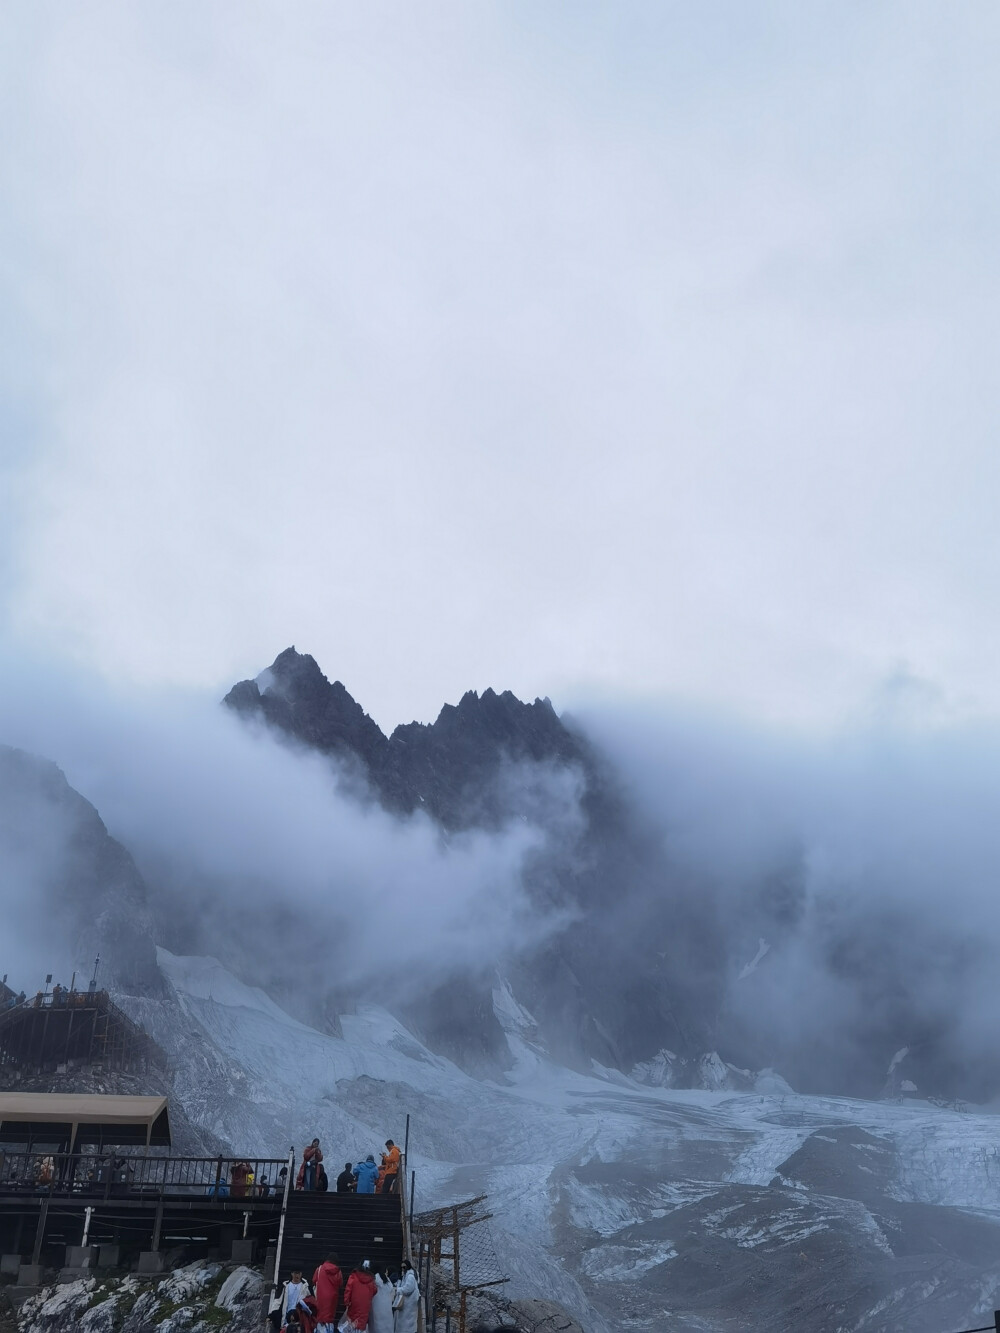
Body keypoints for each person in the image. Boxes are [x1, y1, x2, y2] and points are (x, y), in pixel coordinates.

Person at [268, 1268, 314, 1332]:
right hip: (287, 1317)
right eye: (295, 1273)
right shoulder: (285, 1286)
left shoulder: (306, 1286)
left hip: (300, 1317)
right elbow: (278, 1301)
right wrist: (271, 1315)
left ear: (301, 1274)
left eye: (299, 1273)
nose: (297, 1275)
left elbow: (312, 1301)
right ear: (292, 1274)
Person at [312, 1254, 343, 1333]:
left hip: (320, 1299)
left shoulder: (319, 1269)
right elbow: (340, 1283)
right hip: (332, 1300)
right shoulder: (338, 1271)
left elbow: (314, 1280)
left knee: (320, 1318)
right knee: (329, 1319)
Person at [344, 1260, 376, 1331]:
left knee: (352, 1322)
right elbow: (374, 1291)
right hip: (365, 1305)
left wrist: (346, 1301)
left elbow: (348, 1289)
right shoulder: (371, 1279)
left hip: (354, 1304)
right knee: (361, 1323)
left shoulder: (353, 1276)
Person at [392, 1260, 419, 1333]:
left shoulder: (410, 1276)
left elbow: (408, 1289)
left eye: (404, 1267)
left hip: (408, 1305)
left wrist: (398, 1290)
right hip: (406, 1304)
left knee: (406, 1324)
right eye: (401, 1267)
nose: (403, 1268)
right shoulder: (405, 1275)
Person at [370, 1268, 395, 1333]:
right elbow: (391, 1289)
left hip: (377, 1308)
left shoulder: (373, 1280)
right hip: (387, 1309)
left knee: (377, 1327)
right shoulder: (386, 1280)